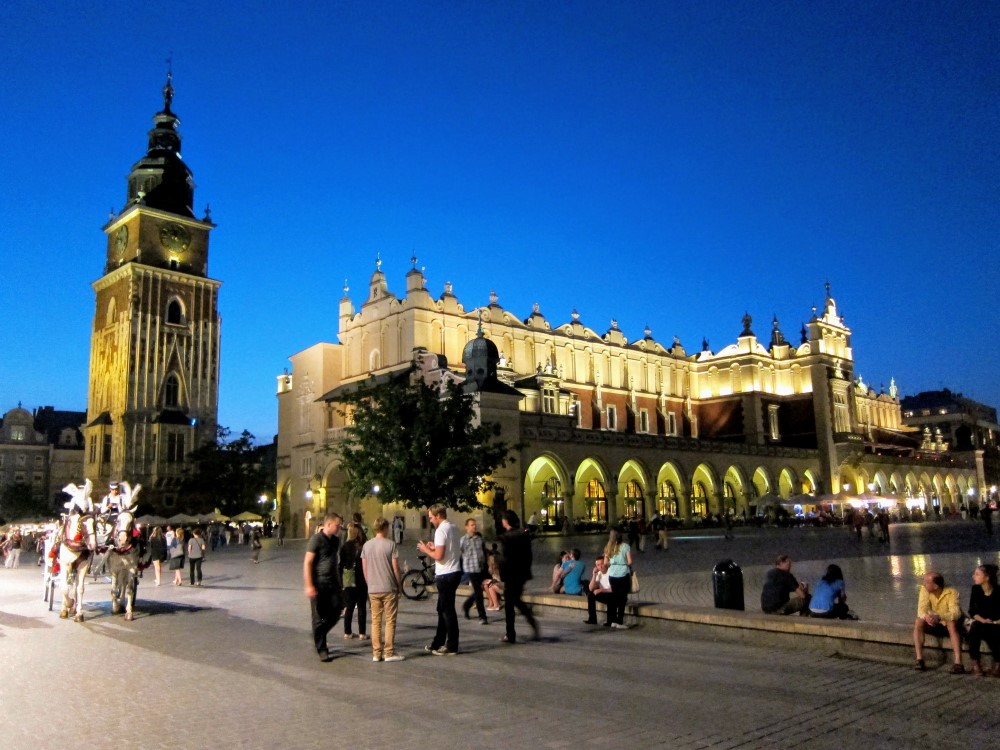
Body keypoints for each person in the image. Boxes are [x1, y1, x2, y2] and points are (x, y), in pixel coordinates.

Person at [417, 504, 462, 655]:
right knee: (442, 609)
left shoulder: (441, 530)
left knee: (447, 611)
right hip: (454, 571)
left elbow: (439, 556)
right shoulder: (453, 528)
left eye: (431, 517)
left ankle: (452, 645)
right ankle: (438, 642)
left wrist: (426, 550)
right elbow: (449, 550)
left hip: (445, 574)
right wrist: (433, 547)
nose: (430, 520)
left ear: (438, 516)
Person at [361, 517, 405, 662]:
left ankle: (376, 653)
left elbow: (365, 569)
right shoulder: (391, 544)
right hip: (388, 587)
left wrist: (369, 583)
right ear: (385, 528)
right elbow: (396, 568)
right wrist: (399, 585)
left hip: (373, 588)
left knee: (375, 621)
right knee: (390, 621)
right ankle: (389, 652)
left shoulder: (367, 545)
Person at [303, 512, 344, 662]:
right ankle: (322, 649)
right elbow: (307, 562)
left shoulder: (336, 541)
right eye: (337, 525)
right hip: (319, 583)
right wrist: (309, 585)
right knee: (318, 617)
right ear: (328, 524)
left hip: (333, 583)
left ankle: (319, 634)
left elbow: (335, 562)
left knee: (337, 611)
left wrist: (340, 583)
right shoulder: (316, 539)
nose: (339, 528)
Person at [497, 510, 539, 644]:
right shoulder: (524, 534)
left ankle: (511, 634)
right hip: (521, 574)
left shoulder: (505, 537)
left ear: (505, 521)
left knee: (510, 604)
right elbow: (528, 556)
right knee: (515, 600)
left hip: (510, 575)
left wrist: (502, 577)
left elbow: (504, 559)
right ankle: (529, 622)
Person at [913, 571, 964, 673]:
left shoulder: (951, 592)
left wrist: (939, 617)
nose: (923, 584)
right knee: (918, 621)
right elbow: (922, 609)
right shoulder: (924, 590)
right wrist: (927, 617)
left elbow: (956, 613)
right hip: (932, 621)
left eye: (927, 582)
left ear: (935, 586)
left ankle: (958, 663)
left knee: (951, 623)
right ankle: (919, 659)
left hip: (947, 623)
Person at [966, 564, 1000, 677]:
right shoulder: (976, 589)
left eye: (977, 574)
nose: (973, 576)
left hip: (996, 622)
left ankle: (998, 665)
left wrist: (994, 621)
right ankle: (976, 665)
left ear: (987, 577)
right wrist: (983, 620)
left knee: (994, 633)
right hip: (981, 622)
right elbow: (972, 611)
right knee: (974, 630)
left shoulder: (998, 591)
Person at [340, 523, 368, 640]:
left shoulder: (345, 546)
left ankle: (347, 632)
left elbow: (340, 564)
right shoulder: (363, 546)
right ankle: (362, 633)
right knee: (361, 606)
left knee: (349, 606)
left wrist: (340, 581)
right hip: (361, 579)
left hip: (349, 579)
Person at [460, 518, 488, 624]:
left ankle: (466, 605)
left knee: (478, 591)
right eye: (472, 525)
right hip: (471, 569)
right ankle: (482, 616)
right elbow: (460, 553)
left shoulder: (480, 539)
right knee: (479, 592)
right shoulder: (463, 540)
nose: (474, 526)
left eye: (475, 525)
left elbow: (484, 552)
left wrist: (486, 565)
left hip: (480, 568)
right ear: (466, 527)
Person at [603, 528, 633, 629]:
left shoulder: (608, 547)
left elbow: (605, 563)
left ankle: (613, 620)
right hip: (623, 574)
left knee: (615, 598)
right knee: (622, 599)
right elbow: (630, 562)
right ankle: (620, 621)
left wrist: (613, 562)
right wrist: (623, 563)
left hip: (612, 575)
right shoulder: (625, 546)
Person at [584, 557, 615, 626]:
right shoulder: (599, 573)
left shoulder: (611, 571)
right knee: (591, 595)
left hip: (614, 594)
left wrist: (601, 590)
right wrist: (594, 575)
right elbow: (591, 588)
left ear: (605, 563)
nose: (600, 566)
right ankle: (592, 619)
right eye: (598, 565)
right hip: (605, 594)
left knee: (610, 596)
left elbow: (614, 589)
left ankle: (610, 621)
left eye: (602, 564)